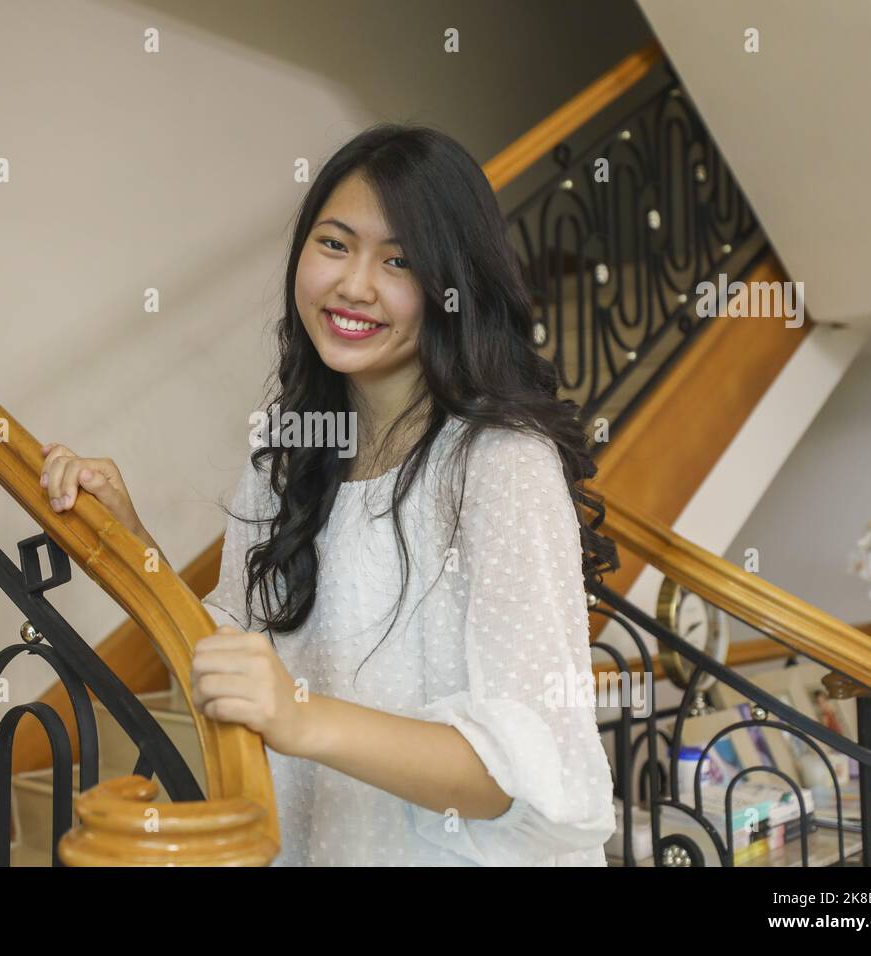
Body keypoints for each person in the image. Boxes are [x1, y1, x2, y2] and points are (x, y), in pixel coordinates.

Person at [40, 123, 618, 865]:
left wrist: (302, 717)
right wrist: (129, 545)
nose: (354, 285)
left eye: (400, 260)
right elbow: (227, 659)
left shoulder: (502, 464)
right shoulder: (287, 460)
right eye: (335, 244)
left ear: (453, 286)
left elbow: (521, 775)